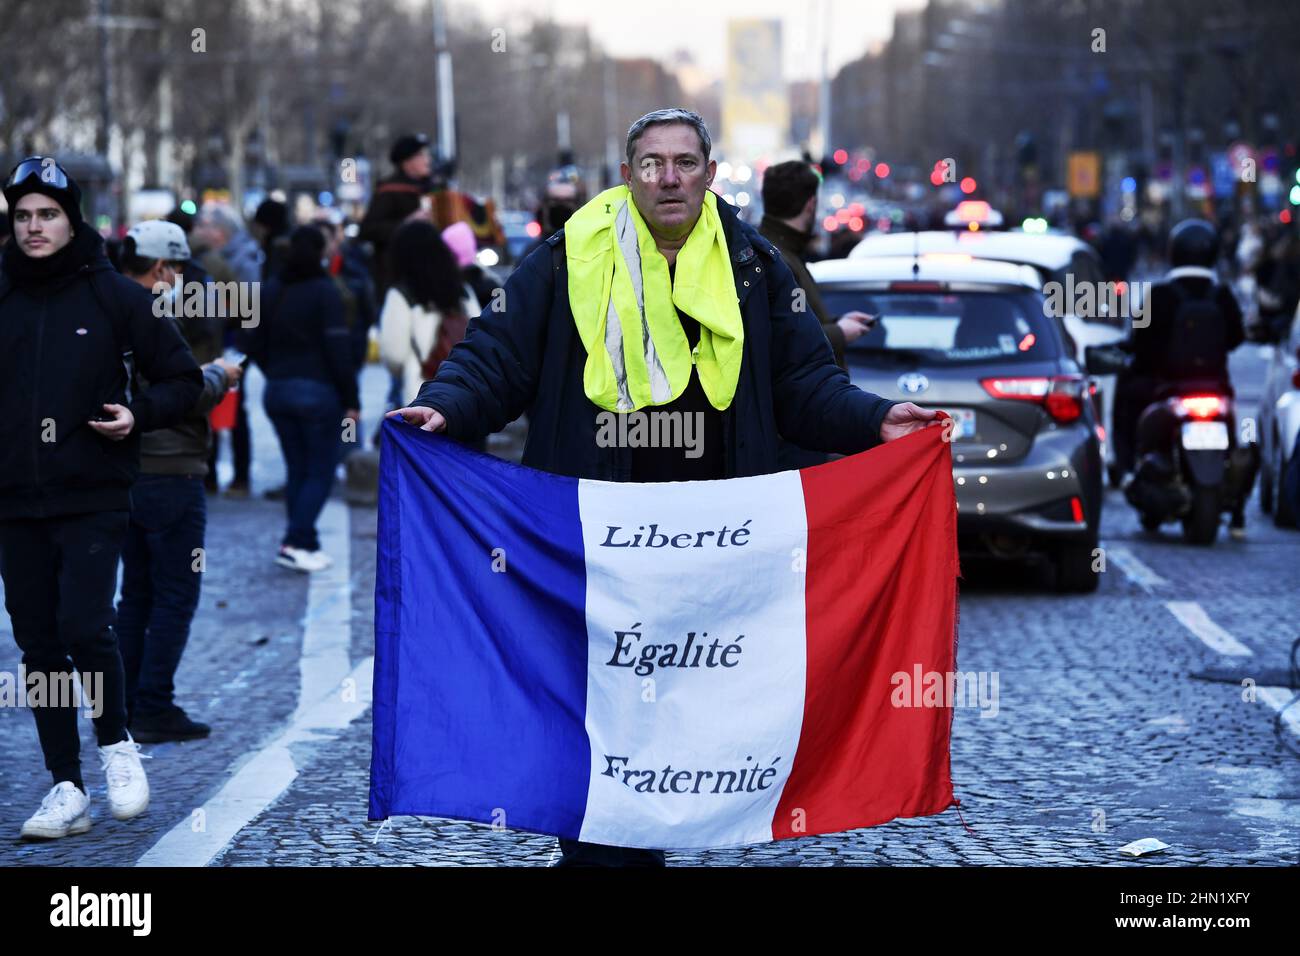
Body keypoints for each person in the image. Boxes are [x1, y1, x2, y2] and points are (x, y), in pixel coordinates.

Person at [388, 108, 938, 866]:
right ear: (627, 175)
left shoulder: (755, 265)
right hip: (599, 539)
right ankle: (604, 850)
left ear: (711, 175)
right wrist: (444, 405)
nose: (669, 178)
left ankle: (645, 841)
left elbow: (804, 383)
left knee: (689, 718)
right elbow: (497, 357)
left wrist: (876, 420)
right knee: (600, 714)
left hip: (714, 544)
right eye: (652, 164)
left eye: (685, 163)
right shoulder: (565, 257)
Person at [0, 157, 203, 839]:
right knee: (37, 647)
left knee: (86, 624)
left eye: (47, 215)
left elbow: (184, 381)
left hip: (93, 492)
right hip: (14, 500)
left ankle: (117, 747)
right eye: (23, 215)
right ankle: (65, 786)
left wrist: (137, 415)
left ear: (71, 219)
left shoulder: (117, 296)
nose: (33, 227)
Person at [114, 220, 242, 742]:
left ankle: (124, 706)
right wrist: (219, 375)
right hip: (171, 469)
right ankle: (153, 705)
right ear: (164, 268)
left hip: (125, 471)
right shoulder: (160, 314)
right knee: (173, 594)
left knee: (137, 593)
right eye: (181, 269)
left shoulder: (106, 304)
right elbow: (183, 392)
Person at [1113, 218, 1246, 531]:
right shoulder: (1221, 294)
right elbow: (1237, 337)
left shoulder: (1159, 294)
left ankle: (1126, 466)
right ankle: (1236, 503)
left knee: (1127, 396)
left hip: (1165, 388)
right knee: (1238, 438)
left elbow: (1140, 345)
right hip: (1216, 387)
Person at [240, 225, 359, 572]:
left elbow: (253, 343)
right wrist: (351, 399)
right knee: (320, 471)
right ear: (321, 251)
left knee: (297, 470)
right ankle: (295, 540)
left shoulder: (272, 288)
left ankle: (305, 543)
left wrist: (276, 370)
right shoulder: (325, 290)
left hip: (277, 390)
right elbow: (338, 349)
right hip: (318, 392)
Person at [758, 160, 876, 369]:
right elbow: (787, 337)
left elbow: (796, 320)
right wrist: (839, 333)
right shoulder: (780, 261)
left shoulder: (776, 253)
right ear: (811, 204)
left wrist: (836, 323)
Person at [193, 204, 260, 495]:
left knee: (232, 409)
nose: (198, 232)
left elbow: (247, 308)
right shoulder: (225, 258)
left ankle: (238, 477)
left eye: (203, 226)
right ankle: (218, 476)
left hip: (232, 345)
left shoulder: (240, 259)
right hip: (222, 343)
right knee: (218, 406)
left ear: (218, 232)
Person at [380, 220, 480, 407]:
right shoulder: (462, 291)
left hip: (423, 398)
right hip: (467, 397)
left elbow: (395, 355)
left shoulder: (401, 295)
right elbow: (479, 336)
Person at [360, 133, 434, 299]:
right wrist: (408, 223)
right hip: (396, 277)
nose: (427, 160)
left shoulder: (433, 189)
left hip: (427, 274)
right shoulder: (389, 190)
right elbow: (367, 230)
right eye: (421, 155)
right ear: (407, 162)